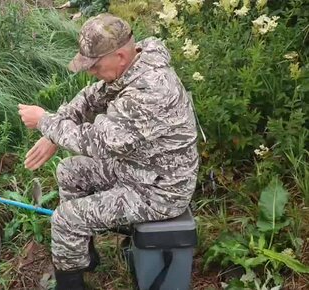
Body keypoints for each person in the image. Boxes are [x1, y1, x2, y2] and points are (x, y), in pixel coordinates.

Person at [18, 13, 199, 290]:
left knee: (66, 219)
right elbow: (92, 97)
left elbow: (99, 143)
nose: (91, 72)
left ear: (120, 57)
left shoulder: (150, 91)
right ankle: (81, 254)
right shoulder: (136, 62)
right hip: (142, 169)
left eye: (95, 66)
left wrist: (45, 121)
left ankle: (70, 282)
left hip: (161, 190)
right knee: (69, 171)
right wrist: (53, 132)